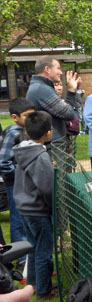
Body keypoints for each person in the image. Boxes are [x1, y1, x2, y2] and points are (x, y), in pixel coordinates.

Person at [13, 111, 57, 301]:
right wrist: (53, 206)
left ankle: (33, 283)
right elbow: (47, 188)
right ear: (48, 133)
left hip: (24, 208)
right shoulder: (40, 156)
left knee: (33, 247)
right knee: (43, 251)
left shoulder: (23, 150)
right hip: (38, 211)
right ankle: (44, 290)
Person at [0, 98, 34, 269]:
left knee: (24, 217)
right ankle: (20, 258)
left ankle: (26, 255)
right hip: (14, 184)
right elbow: (4, 161)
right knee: (18, 219)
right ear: (14, 117)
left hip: (23, 184)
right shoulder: (14, 133)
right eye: (27, 115)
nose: (31, 118)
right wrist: (18, 176)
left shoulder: (25, 130)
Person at [26, 56, 78, 154]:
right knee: (56, 170)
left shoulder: (41, 87)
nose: (61, 72)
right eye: (58, 68)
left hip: (50, 143)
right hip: (51, 146)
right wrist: (71, 91)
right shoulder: (42, 89)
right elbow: (69, 114)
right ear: (47, 69)